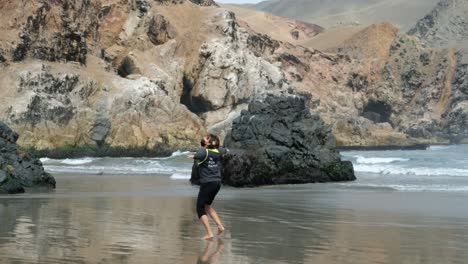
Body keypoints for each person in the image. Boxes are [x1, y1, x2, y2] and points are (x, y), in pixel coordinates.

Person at [187, 134, 227, 240]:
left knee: (199, 209)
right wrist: (214, 142)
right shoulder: (218, 151)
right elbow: (224, 150)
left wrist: (193, 156)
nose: (204, 138)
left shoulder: (203, 152)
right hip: (217, 182)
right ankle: (220, 226)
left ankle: (209, 233)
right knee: (207, 206)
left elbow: (198, 155)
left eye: (206, 138)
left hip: (208, 183)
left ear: (207, 143)